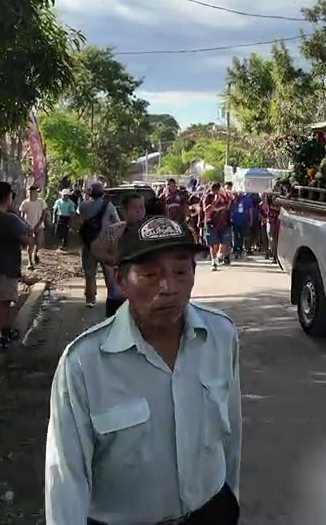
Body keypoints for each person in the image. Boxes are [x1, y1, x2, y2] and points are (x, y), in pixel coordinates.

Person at [44, 216, 242, 525]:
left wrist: (230, 502)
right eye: (150, 275)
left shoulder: (221, 335)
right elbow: (66, 477)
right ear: (121, 281)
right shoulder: (84, 363)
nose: (168, 288)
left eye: (181, 272)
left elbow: (230, 437)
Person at [0, 181, 33, 353]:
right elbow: (28, 234)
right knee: (2, 302)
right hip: (5, 265)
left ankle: (1, 333)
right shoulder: (9, 219)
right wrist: (17, 215)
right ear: (7, 196)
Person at [91, 192, 147, 318]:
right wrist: (117, 261)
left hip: (144, 294)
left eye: (141, 207)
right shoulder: (113, 231)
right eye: (135, 207)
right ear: (124, 211)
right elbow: (96, 250)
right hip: (118, 294)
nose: (139, 211)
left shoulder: (151, 231)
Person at [78, 183, 120, 310]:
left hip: (88, 244)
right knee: (109, 271)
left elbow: (78, 222)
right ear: (103, 193)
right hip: (105, 246)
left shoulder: (83, 205)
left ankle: (90, 300)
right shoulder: (109, 206)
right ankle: (112, 297)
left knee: (89, 273)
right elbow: (117, 222)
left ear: (90, 193)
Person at [202, 183, 231, 271]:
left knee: (225, 242)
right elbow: (206, 210)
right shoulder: (208, 197)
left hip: (223, 223)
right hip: (211, 223)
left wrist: (229, 199)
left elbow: (227, 208)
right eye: (216, 189)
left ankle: (219, 256)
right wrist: (215, 201)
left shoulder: (224, 197)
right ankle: (214, 262)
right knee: (213, 244)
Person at [19, 184, 47, 268]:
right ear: (29, 192)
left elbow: (44, 213)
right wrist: (27, 225)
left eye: (35, 191)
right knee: (30, 244)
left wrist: (39, 223)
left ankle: (35, 254)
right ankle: (30, 261)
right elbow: (22, 215)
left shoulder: (41, 201)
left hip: (39, 225)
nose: (33, 193)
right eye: (32, 191)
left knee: (39, 242)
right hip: (29, 226)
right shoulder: (25, 202)